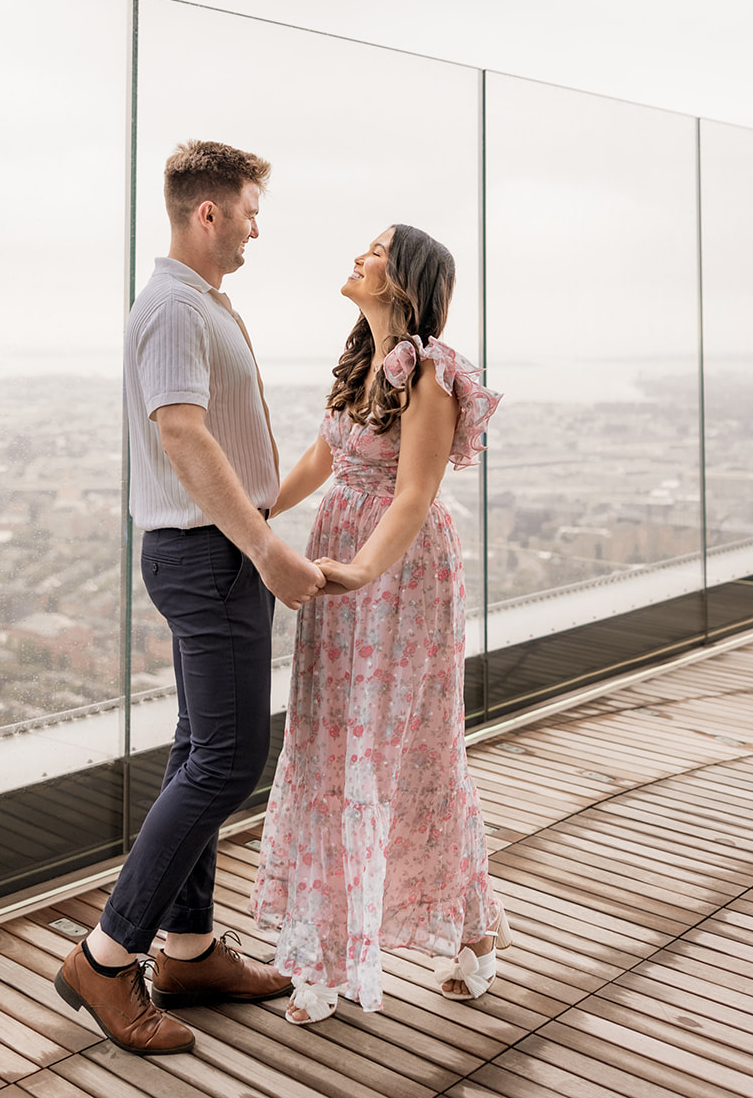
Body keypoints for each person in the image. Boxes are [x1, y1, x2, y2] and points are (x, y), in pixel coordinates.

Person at [55, 140, 325, 1056]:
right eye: (249, 207)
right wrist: (267, 550)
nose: (258, 223)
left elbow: (226, 448)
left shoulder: (197, 304)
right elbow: (183, 437)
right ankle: (105, 954)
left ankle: (189, 948)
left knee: (201, 747)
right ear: (206, 213)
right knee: (229, 755)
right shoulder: (175, 308)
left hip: (210, 553)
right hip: (208, 556)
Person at [251, 222, 508, 1024]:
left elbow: (415, 495)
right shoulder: (363, 365)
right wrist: (253, 513)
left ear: (402, 277)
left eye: (374, 248)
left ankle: (471, 934)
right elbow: (316, 463)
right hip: (342, 566)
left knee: (411, 754)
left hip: (398, 577)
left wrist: (363, 569)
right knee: (331, 749)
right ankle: (324, 956)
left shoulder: (429, 373)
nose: (358, 254)